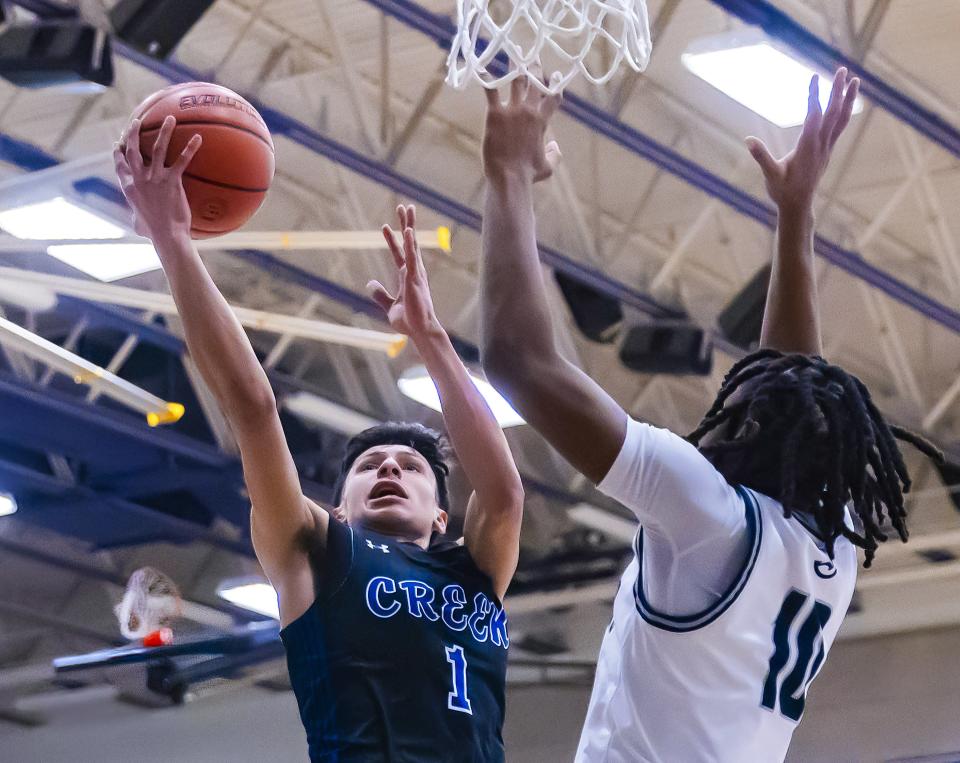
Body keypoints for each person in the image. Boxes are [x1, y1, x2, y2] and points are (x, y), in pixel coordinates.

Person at [479, 68, 942, 762]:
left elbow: (519, 360)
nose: (726, 409)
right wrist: (795, 216)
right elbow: (789, 381)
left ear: (756, 434)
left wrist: (510, 176)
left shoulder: (708, 513)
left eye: (746, 404)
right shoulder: (831, 555)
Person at [115, 117, 524, 762]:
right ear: (339, 506)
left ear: (442, 516)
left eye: (411, 466)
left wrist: (432, 339)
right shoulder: (316, 549)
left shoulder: (473, 570)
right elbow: (252, 408)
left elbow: (502, 495)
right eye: (369, 465)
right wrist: (174, 243)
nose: (389, 468)